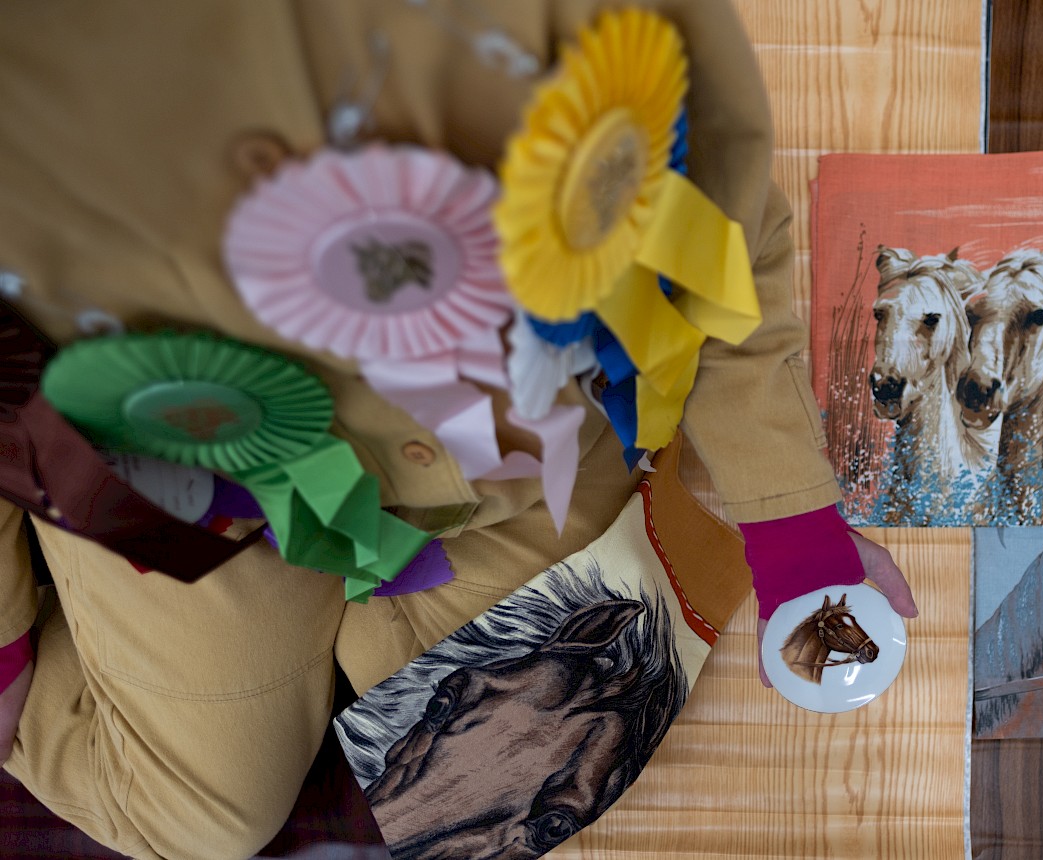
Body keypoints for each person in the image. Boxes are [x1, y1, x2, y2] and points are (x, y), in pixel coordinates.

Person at [0, 2, 916, 857]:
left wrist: (792, 523)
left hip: (509, 473)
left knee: (568, 729)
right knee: (200, 823)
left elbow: (717, 233)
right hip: (202, 498)